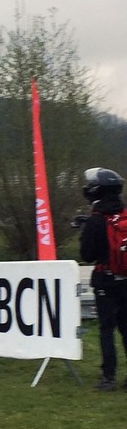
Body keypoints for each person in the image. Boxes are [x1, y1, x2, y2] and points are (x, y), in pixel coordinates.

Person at [80, 167, 127, 391]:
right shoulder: (124, 215)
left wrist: (85, 231)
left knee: (106, 329)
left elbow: (87, 255)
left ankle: (108, 377)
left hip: (105, 279)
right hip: (125, 278)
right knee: (126, 328)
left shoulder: (96, 220)